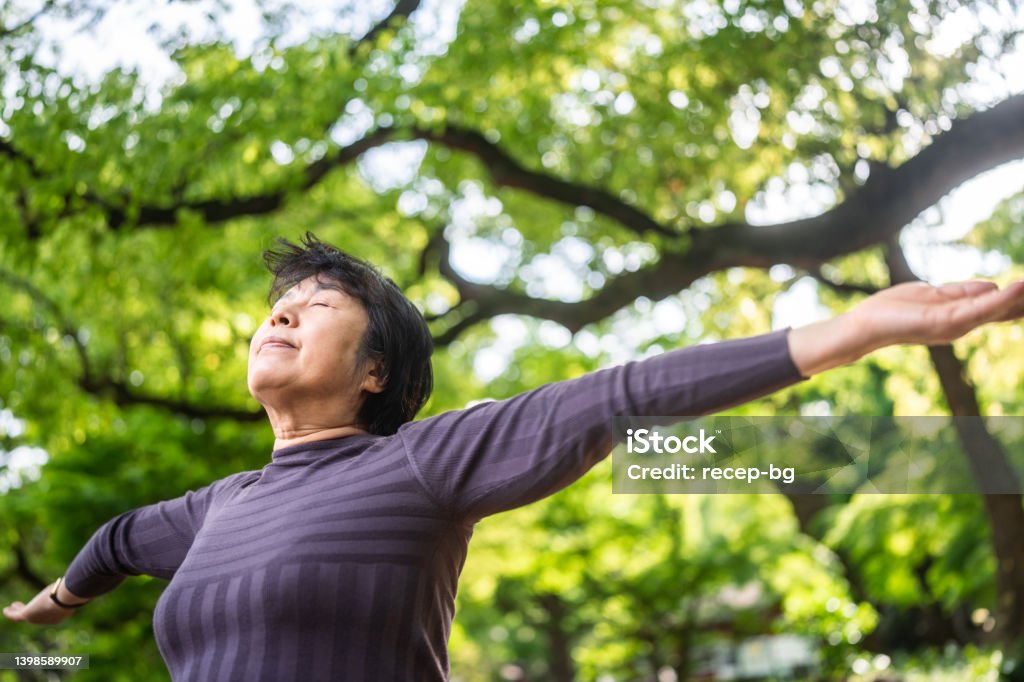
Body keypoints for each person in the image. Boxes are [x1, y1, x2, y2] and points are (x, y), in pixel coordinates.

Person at [4, 231, 1023, 680]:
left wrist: (853, 330)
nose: (282, 311)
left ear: (373, 373)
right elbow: (123, 539)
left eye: (318, 306)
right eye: (279, 302)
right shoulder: (215, 506)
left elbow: (616, 398)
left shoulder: (421, 461)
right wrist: (52, 602)